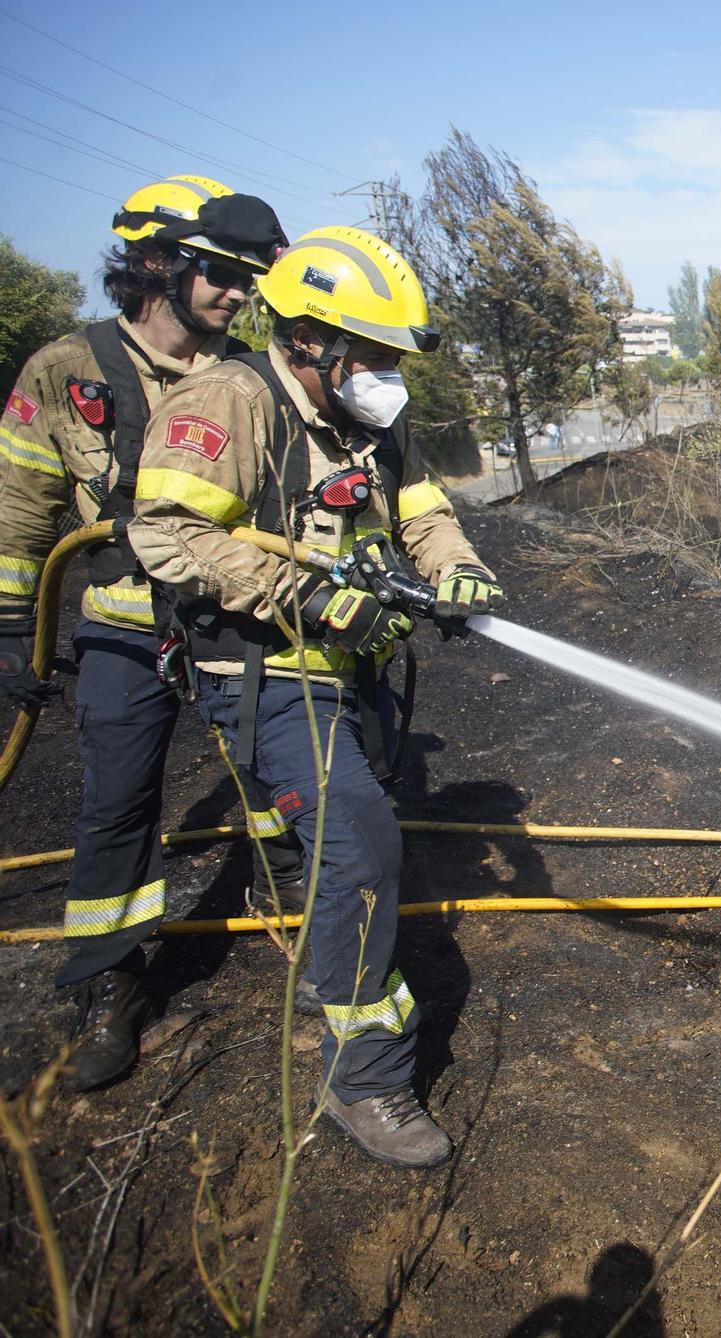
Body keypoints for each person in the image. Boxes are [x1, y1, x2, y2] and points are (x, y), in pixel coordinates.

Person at [128, 226, 504, 1167]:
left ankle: (313, 934)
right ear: (306, 339)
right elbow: (167, 533)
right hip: (265, 668)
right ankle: (365, 1080)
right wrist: (301, 592)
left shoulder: (368, 416)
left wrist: (457, 570)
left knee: (333, 837)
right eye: (373, 353)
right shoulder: (225, 400)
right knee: (360, 843)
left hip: (348, 664)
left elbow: (421, 509)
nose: (388, 374)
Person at [0, 175, 306, 1092]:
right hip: (123, 631)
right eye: (220, 272)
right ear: (152, 261)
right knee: (117, 805)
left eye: (249, 278)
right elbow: (20, 512)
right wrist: (15, 627)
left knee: (277, 767)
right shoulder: (65, 371)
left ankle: (300, 900)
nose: (236, 293)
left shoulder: (249, 377)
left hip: (234, 616)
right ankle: (110, 982)